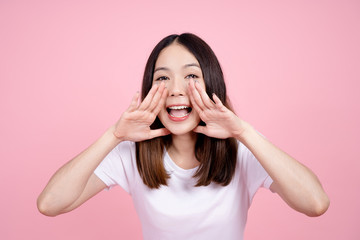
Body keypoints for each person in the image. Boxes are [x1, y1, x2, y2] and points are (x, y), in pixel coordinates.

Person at [37, 33, 330, 240]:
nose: (176, 89)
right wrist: (113, 135)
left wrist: (243, 131)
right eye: (162, 78)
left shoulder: (241, 148)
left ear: (211, 83)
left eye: (191, 76)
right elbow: (50, 204)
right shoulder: (131, 152)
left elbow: (316, 203)